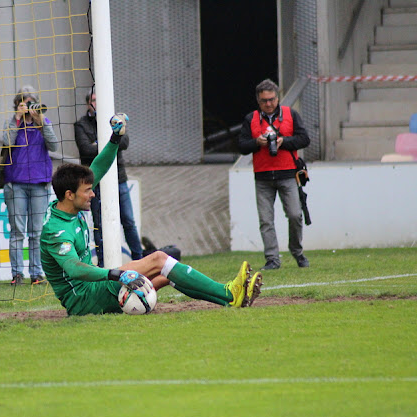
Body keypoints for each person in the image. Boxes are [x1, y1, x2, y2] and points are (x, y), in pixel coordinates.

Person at [41, 113, 262, 316]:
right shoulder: (55, 231)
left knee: (167, 274)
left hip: (95, 288)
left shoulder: (68, 204)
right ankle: (230, 292)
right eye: (87, 191)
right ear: (70, 195)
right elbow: (73, 268)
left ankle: (230, 301)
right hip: (84, 299)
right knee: (159, 259)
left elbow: (98, 166)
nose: (92, 194)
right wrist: (116, 274)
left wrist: (115, 138)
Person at [238, 79, 311, 270]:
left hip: (288, 174)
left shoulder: (290, 114)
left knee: (295, 215)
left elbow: (305, 139)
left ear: (277, 98)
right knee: (266, 221)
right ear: (258, 101)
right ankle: (272, 259)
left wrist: (283, 141)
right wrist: (257, 143)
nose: (268, 104)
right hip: (262, 177)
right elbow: (241, 145)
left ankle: (297, 252)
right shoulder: (250, 119)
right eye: (264, 101)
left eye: (271, 99)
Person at [74, 90, 143, 266]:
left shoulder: (115, 121)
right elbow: (85, 150)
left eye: (100, 100)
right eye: (94, 100)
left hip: (118, 178)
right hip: (95, 180)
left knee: (128, 221)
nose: (97, 103)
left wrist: (99, 142)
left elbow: (125, 142)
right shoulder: (81, 124)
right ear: (88, 103)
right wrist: (111, 141)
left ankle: (139, 260)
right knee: (99, 224)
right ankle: (103, 263)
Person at [3, 86, 59, 286]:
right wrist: (17, 119)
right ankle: (17, 274)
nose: (29, 107)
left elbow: (54, 145)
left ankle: (37, 273)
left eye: (31, 102)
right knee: (17, 231)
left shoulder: (43, 123)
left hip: (39, 183)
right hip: (15, 183)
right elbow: (7, 142)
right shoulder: (12, 123)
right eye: (25, 103)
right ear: (18, 105)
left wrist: (40, 122)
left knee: (37, 232)